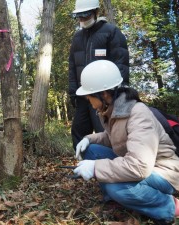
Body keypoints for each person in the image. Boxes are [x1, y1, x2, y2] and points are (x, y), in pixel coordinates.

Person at [73, 60, 179, 224]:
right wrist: (88, 139)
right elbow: (111, 138)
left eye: (89, 97)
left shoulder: (138, 113)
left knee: (116, 187)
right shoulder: (110, 110)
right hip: (138, 164)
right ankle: (115, 198)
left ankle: (169, 207)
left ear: (104, 93)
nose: (89, 101)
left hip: (163, 171)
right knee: (92, 150)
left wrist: (96, 167)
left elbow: (140, 166)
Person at [69, 0, 129, 150]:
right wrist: (72, 92)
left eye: (85, 15)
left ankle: (109, 167)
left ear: (95, 11)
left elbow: (121, 63)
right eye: (79, 16)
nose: (82, 19)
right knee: (78, 131)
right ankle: (83, 165)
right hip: (84, 95)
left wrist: (116, 94)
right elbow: (72, 67)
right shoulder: (77, 38)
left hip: (104, 96)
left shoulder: (111, 32)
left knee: (106, 132)